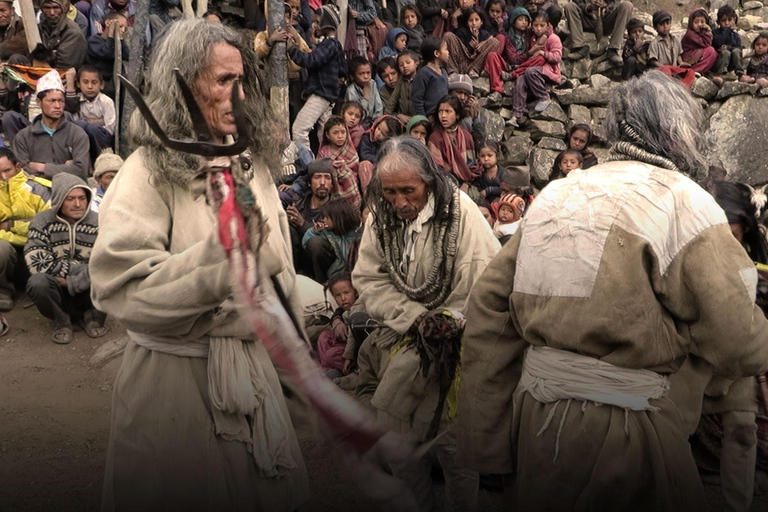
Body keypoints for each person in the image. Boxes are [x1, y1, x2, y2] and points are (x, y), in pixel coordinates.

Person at [456, 70, 768, 512]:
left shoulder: (557, 196)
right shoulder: (685, 203)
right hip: (630, 437)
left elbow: (489, 309)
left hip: (536, 429)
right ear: (678, 132)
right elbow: (740, 339)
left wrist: (489, 444)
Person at [88, 19, 310, 510]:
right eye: (224, 80)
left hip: (256, 376)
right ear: (184, 87)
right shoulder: (146, 172)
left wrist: (297, 374)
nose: (240, 93)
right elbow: (118, 287)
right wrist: (218, 266)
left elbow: (281, 280)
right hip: (174, 389)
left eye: (242, 79)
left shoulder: (252, 165)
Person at [352, 136, 500, 512]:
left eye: (408, 191)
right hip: (403, 340)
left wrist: (445, 322)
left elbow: (482, 284)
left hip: (456, 350)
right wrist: (414, 318)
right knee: (399, 445)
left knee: (454, 451)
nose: (400, 202)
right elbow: (368, 279)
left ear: (429, 182)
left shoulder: (461, 213)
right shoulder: (381, 216)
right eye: (390, 192)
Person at [683, 180, 768, 512]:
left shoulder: (754, 262)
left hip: (740, 359)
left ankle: (738, 505)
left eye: (735, 234)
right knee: (677, 430)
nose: (728, 242)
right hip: (696, 356)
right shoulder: (692, 249)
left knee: (743, 431)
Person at [25, 173, 105, 344]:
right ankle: (61, 321)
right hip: (59, 292)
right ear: (59, 199)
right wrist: (82, 270)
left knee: (107, 276)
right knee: (38, 282)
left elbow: (106, 265)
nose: (78, 204)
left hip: (89, 290)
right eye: (70, 199)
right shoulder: (42, 221)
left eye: (82, 198)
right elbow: (37, 263)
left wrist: (69, 281)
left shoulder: (100, 222)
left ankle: (93, 317)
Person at [12, 70, 90, 181]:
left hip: (70, 191)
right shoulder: (23, 137)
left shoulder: (77, 134)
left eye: (61, 101)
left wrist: (42, 167)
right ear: (39, 102)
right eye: (52, 101)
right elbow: (23, 173)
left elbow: (81, 170)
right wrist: (66, 167)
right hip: (37, 192)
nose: (58, 106)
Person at [0, 147, 50, 311]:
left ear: (18, 167)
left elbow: (47, 228)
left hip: (38, 253)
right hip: (7, 259)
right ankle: (3, 292)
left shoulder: (39, 189)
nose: (4, 177)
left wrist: (10, 226)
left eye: (7, 170)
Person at [289, 4, 346, 151]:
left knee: (299, 130)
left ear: (327, 22)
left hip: (321, 94)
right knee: (325, 135)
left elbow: (311, 60)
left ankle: (308, 166)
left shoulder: (330, 44)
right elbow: (341, 71)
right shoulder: (333, 45)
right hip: (329, 96)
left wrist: (291, 49)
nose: (315, 24)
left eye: (318, 21)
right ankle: (328, 165)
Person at [254, 4, 309, 124]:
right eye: (280, 16)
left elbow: (307, 53)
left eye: (287, 17)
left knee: (295, 117)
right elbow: (257, 54)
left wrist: (296, 39)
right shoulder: (263, 35)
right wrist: (271, 40)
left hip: (295, 82)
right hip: (272, 82)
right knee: (275, 117)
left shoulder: (295, 33)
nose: (284, 20)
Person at [506, 10, 561, 128]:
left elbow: (557, 57)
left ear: (548, 26)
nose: (539, 29)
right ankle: (516, 115)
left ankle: (544, 97)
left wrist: (543, 53)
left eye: (542, 26)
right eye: (536, 25)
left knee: (529, 71)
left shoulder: (553, 38)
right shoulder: (532, 38)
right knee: (520, 80)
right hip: (534, 70)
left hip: (549, 70)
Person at [65, 65, 116, 163]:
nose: (90, 87)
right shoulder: (77, 100)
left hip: (101, 139)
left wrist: (92, 126)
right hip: (82, 138)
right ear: (78, 84)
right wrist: (97, 122)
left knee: (92, 129)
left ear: (102, 85)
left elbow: (110, 128)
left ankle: (103, 161)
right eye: (85, 82)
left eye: (94, 83)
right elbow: (75, 124)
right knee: (80, 126)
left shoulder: (106, 101)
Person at [301, 198, 360, 284]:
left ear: (337, 218)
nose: (323, 220)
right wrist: (315, 231)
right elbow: (305, 242)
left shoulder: (356, 232)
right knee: (315, 242)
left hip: (352, 271)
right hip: (333, 270)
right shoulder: (325, 231)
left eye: (327, 217)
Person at [428, 95, 478, 186]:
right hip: (444, 184)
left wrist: (466, 184)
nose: (443, 116)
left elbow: (472, 165)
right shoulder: (435, 138)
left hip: (467, 183)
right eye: (440, 111)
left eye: (448, 111)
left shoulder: (467, 137)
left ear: (457, 115)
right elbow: (436, 169)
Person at [564, 0, 632, 67]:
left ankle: (613, 50)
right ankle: (578, 48)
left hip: (606, 21)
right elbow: (577, 2)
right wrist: (588, 7)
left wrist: (606, 5)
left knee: (627, 6)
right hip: (586, 19)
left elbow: (616, 2)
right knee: (569, 6)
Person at [317, 272, 360, 375]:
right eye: (338, 295)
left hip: (356, 349)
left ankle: (350, 367)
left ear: (355, 291)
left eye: (346, 292)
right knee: (324, 336)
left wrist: (349, 356)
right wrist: (337, 320)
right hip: (345, 343)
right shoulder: (342, 310)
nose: (343, 298)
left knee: (330, 356)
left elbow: (353, 339)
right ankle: (330, 369)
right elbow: (339, 311)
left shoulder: (360, 306)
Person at [443, 6, 501, 81]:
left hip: (475, 65)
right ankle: (452, 71)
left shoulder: (484, 34)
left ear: (481, 22)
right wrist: (470, 47)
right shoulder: (462, 32)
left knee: (495, 42)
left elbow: (492, 40)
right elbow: (457, 49)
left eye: (477, 20)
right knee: (448, 35)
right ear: (467, 23)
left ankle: (474, 71)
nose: (474, 23)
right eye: (471, 20)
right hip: (461, 63)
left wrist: (482, 44)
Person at [316, 115, 362, 201]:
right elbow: (319, 170)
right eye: (335, 133)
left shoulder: (350, 152)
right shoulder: (324, 152)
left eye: (343, 132)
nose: (340, 136)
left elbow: (355, 174)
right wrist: (330, 167)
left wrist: (343, 168)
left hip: (349, 189)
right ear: (327, 135)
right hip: (330, 192)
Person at [647, 10, 696, 88]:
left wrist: (681, 62)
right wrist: (663, 67)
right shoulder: (655, 43)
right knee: (666, 71)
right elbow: (653, 61)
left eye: (667, 23)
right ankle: (673, 86)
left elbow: (678, 54)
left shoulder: (676, 40)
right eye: (662, 24)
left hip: (674, 69)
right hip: (662, 71)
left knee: (690, 72)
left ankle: (682, 87)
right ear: (655, 27)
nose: (665, 27)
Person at [86, 11, 130, 99]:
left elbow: (127, 55)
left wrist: (120, 40)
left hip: (115, 82)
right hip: (101, 82)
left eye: (124, 28)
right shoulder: (94, 40)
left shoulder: (118, 42)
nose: (122, 30)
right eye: (120, 26)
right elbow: (106, 53)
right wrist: (111, 35)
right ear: (107, 23)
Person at [358, 115, 403, 192]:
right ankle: (369, 195)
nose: (378, 133)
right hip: (372, 168)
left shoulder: (392, 145)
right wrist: (380, 161)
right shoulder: (367, 137)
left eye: (383, 134)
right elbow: (364, 154)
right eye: (378, 128)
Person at [39, 0, 87, 69]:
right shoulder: (41, 27)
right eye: (47, 8)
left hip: (63, 75)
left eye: (56, 8)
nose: (52, 13)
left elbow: (64, 65)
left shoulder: (73, 32)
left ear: (62, 9)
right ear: (42, 10)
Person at [412, 37, 449, 117]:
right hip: (430, 116)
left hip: (443, 115)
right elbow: (417, 98)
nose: (448, 52)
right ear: (436, 53)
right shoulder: (424, 73)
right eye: (445, 49)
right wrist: (422, 118)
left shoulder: (444, 72)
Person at [711, 5, 744, 85]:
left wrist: (729, 47)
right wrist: (727, 31)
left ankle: (740, 74)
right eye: (723, 20)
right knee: (725, 52)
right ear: (718, 22)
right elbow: (718, 42)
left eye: (729, 20)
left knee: (736, 51)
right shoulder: (715, 33)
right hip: (719, 62)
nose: (727, 23)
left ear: (734, 19)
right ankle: (721, 75)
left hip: (731, 63)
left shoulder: (735, 35)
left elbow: (739, 48)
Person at [385, 50, 419, 125]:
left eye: (408, 62)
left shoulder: (421, 79)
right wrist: (385, 116)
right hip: (402, 118)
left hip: (417, 118)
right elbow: (393, 98)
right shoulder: (401, 80)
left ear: (416, 63)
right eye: (401, 65)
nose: (405, 66)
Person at [346, 56, 383, 121]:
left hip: (373, 122)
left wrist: (377, 120)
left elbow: (379, 106)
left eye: (368, 73)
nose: (366, 76)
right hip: (359, 124)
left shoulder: (372, 83)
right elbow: (359, 116)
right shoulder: (351, 91)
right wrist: (365, 97)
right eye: (361, 74)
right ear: (352, 76)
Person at [681, 7, 716, 75]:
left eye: (702, 22)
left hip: (696, 53)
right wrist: (708, 32)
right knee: (710, 51)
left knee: (714, 53)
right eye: (696, 22)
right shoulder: (690, 34)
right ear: (691, 23)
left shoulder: (701, 32)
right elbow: (706, 44)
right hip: (688, 56)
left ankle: (702, 70)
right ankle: (693, 71)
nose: (699, 24)